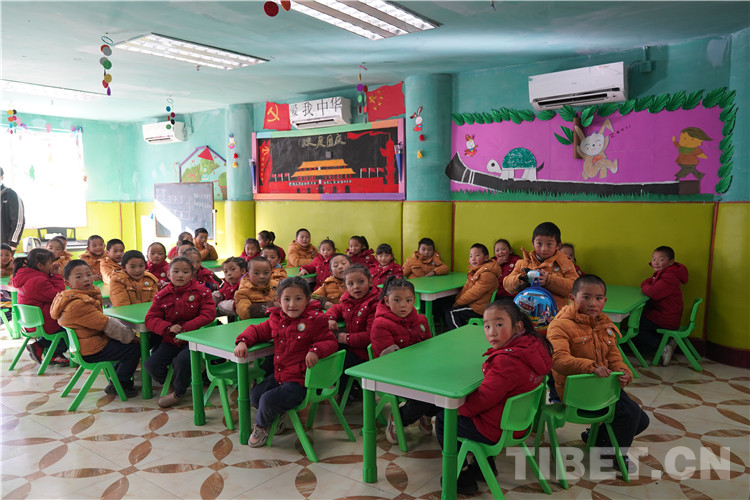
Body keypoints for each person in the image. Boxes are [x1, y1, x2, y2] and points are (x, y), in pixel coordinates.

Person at [435, 299, 553, 494]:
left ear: (518, 326)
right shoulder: (534, 346)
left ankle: (462, 476)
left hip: (497, 430)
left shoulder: (506, 361)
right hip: (519, 424)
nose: (492, 332)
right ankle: (484, 467)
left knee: (444, 420)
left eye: (499, 325)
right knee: (480, 409)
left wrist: (458, 409)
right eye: (487, 326)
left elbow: (482, 400)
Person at [546, 274, 649, 475]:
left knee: (641, 420)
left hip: (602, 388)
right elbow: (557, 360)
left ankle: (598, 438)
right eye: (586, 297)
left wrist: (624, 373)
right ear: (572, 298)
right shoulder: (560, 325)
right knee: (630, 414)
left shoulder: (604, 323)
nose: (593, 303)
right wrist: (591, 367)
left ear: (604, 300)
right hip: (574, 392)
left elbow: (614, 357)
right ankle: (613, 453)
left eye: (599, 298)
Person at [234, 276, 337, 447]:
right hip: (281, 376)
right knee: (255, 395)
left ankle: (262, 427)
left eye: (298, 299)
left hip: (302, 382)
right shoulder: (276, 319)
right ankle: (278, 413)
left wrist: (315, 350)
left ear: (307, 299)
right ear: (278, 301)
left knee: (267, 400)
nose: (292, 304)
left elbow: (331, 341)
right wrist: (243, 341)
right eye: (286, 299)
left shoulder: (315, 319)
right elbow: (257, 330)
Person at [51, 260, 140, 397]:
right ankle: (120, 384)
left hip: (85, 346)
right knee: (133, 349)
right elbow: (107, 324)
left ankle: (116, 379)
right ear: (68, 283)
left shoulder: (70, 297)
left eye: (88, 274)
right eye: (79, 277)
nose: (86, 279)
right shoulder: (79, 304)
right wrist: (131, 337)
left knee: (122, 343)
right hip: (92, 350)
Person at [371, 276, 436, 443]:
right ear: (387, 300)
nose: (403, 305)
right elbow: (391, 360)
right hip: (392, 375)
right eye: (397, 300)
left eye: (408, 300)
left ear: (414, 300)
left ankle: (425, 414)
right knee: (424, 395)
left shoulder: (421, 320)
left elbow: (429, 347)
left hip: (417, 372)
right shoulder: (380, 324)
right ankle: (399, 418)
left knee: (445, 389)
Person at [144, 256, 216, 408]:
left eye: (185, 272)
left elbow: (208, 314)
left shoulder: (202, 292)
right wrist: (168, 328)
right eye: (176, 271)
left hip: (193, 341)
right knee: (151, 364)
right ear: (168, 274)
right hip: (170, 340)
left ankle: (178, 393)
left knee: (182, 361)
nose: (180, 275)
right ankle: (170, 383)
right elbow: (150, 318)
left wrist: (185, 329)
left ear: (192, 274)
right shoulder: (162, 295)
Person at [326, 264, 380, 398]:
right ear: (346, 286)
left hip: (367, 354)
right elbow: (336, 309)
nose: (356, 287)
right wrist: (330, 318)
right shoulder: (348, 300)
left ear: (370, 282)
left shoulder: (374, 304)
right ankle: (349, 391)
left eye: (361, 282)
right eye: (350, 284)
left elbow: (370, 337)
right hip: (353, 347)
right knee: (328, 349)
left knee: (338, 362)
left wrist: (346, 338)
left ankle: (342, 393)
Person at [11, 248, 69, 365]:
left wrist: (51, 275)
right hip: (42, 322)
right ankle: (51, 353)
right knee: (70, 328)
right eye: (50, 263)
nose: (52, 265)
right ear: (40, 265)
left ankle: (40, 346)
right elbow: (58, 296)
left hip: (31, 322)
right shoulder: (38, 280)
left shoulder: (27, 276)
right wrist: (56, 276)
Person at [503, 222, 578, 311]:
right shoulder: (523, 263)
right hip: (525, 313)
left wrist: (549, 280)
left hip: (556, 314)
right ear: (533, 243)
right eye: (539, 243)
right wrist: (523, 278)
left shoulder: (565, 264)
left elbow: (576, 289)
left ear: (558, 245)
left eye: (549, 244)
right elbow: (507, 286)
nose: (544, 249)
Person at [636, 246, 689, 366]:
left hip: (666, 317)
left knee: (635, 326)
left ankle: (662, 346)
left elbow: (653, 292)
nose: (656, 262)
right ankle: (664, 342)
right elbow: (649, 282)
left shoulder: (669, 276)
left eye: (661, 259)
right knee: (639, 320)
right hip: (666, 314)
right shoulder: (665, 273)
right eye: (653, 259)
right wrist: (646, 284)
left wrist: (644, 286)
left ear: (671, 262)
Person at [445, 243, 500, 329]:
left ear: (486, 258)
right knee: (446, 305)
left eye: (477, 255)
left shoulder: (487, 275)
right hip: (473, 304)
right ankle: (463, 329)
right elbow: (466, 289)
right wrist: (456, 301)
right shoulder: (475, 271)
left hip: (478, 308)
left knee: (451, 313)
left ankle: (459, 335)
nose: (473, 258)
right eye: (470, 256)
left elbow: (473, 294)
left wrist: (457, 303)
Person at [0, 167, 25, 253]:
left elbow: (18, 221)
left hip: (4, 245)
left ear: (2, 177)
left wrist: (12, 243)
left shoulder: (11, 195)